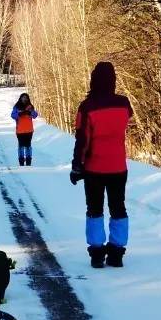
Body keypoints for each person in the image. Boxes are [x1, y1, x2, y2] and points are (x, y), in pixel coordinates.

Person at [69, 62, 132, 269]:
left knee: (94, 208)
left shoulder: (87, 106)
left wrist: (77, 166)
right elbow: (127, 118)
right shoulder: (123, 103)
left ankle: (97, 254)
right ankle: (117, 252)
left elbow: (83, 140)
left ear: (93, 79)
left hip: (95, 168)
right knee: (118, 207)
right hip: (118, 166)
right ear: (113, 80)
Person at [11, 93, 38, 166]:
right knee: (21, 146)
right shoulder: (17, 107)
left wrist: (30, 112)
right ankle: (21, 161)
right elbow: (13, 115)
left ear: (28, 98)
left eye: (26, 98)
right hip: (20, 130)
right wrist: (19, 114)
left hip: (29, 130)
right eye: (23, 97)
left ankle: (29, 161)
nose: (24, 99)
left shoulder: (30, 106)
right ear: (20, 98)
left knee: (28, 146)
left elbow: (35, 115)